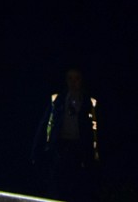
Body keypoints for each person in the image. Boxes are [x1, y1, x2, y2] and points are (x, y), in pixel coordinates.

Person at [32, 67, 100, 201]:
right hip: (60, 148)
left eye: (76, 79)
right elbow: (44, 124)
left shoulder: (89, 102)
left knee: (77, 189)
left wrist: (93, 155)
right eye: (70, 78)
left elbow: (95, 130)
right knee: (58, 188)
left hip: (80, 151)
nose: (73, 82)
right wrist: (37, 150)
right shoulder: (57, 100)